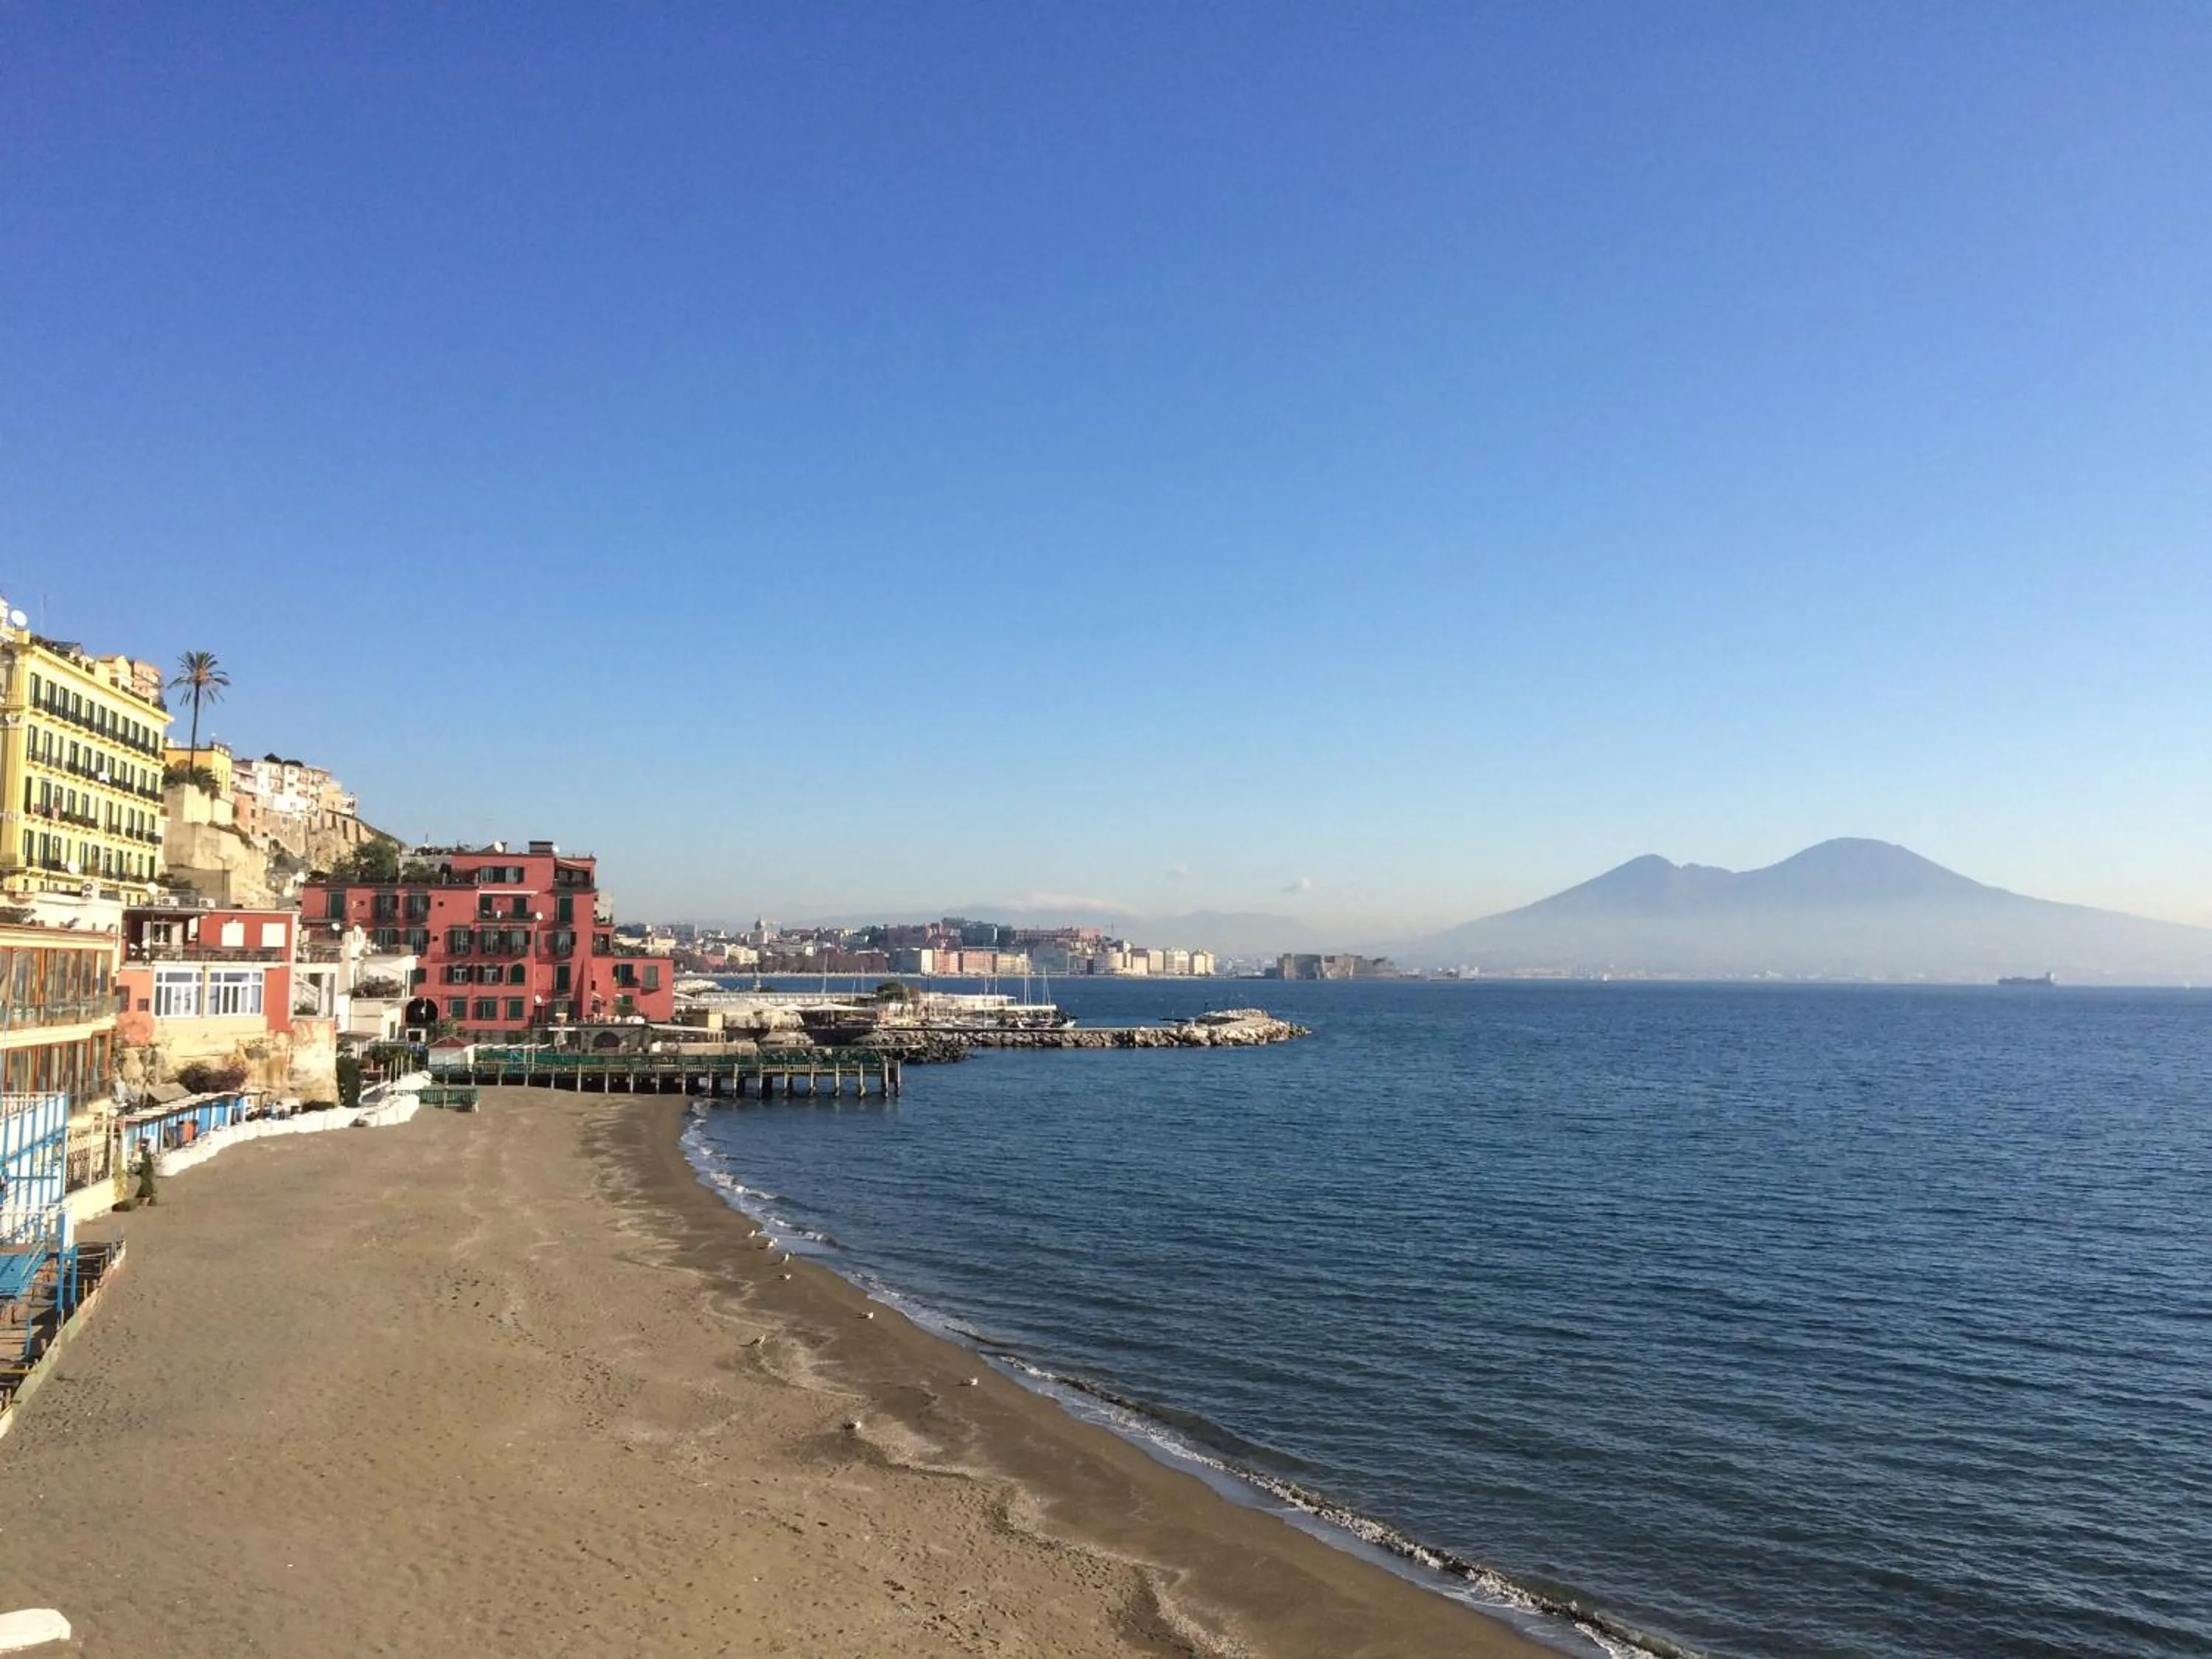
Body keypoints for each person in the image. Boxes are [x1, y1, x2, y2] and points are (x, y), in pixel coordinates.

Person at [133, 1144, 159, 1208]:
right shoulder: (147, 1155)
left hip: (146, 1176)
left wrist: (137, 1171)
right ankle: (147, 1201)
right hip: (147, 1175)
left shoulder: (143, 1156)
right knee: (146, 1189)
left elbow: (141, 1166)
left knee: (146, 1189)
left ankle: (145, 1202)